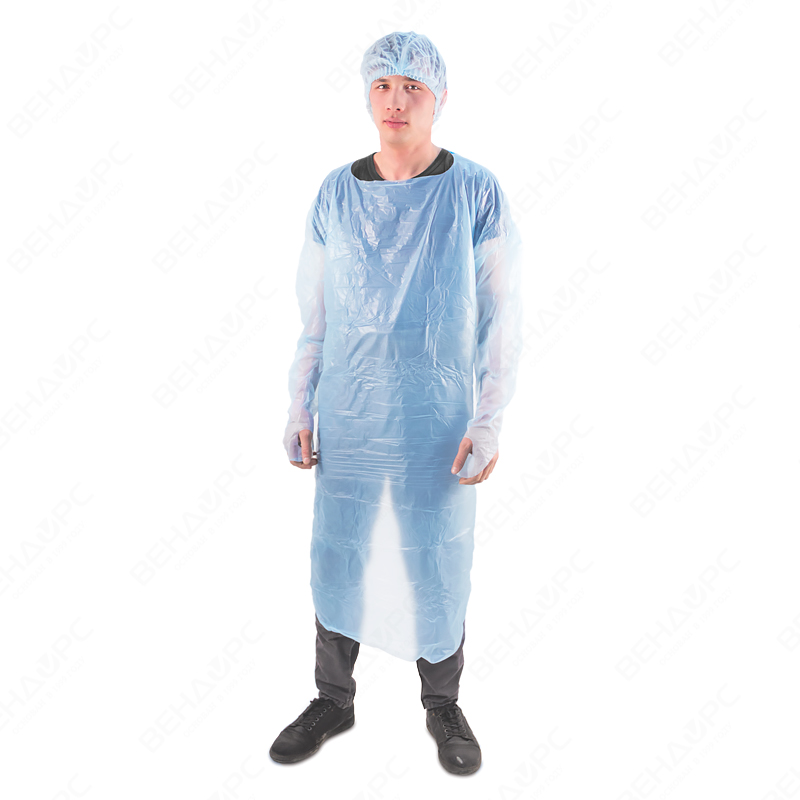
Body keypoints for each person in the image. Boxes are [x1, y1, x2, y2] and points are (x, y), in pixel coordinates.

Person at [270, 31, 523, 776]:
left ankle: (443, 704)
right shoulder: (335, 193)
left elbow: (501, 314)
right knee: (340, 549)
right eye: (384, 84)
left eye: (414, 86)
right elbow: (315, 313)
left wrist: (487, 419)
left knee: (435, 554)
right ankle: (333, 698)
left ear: (438, 97)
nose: (396, 99)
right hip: (350, 413)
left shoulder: (474, 192)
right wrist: (300, 405)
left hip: (435, 417)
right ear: (367, 93)